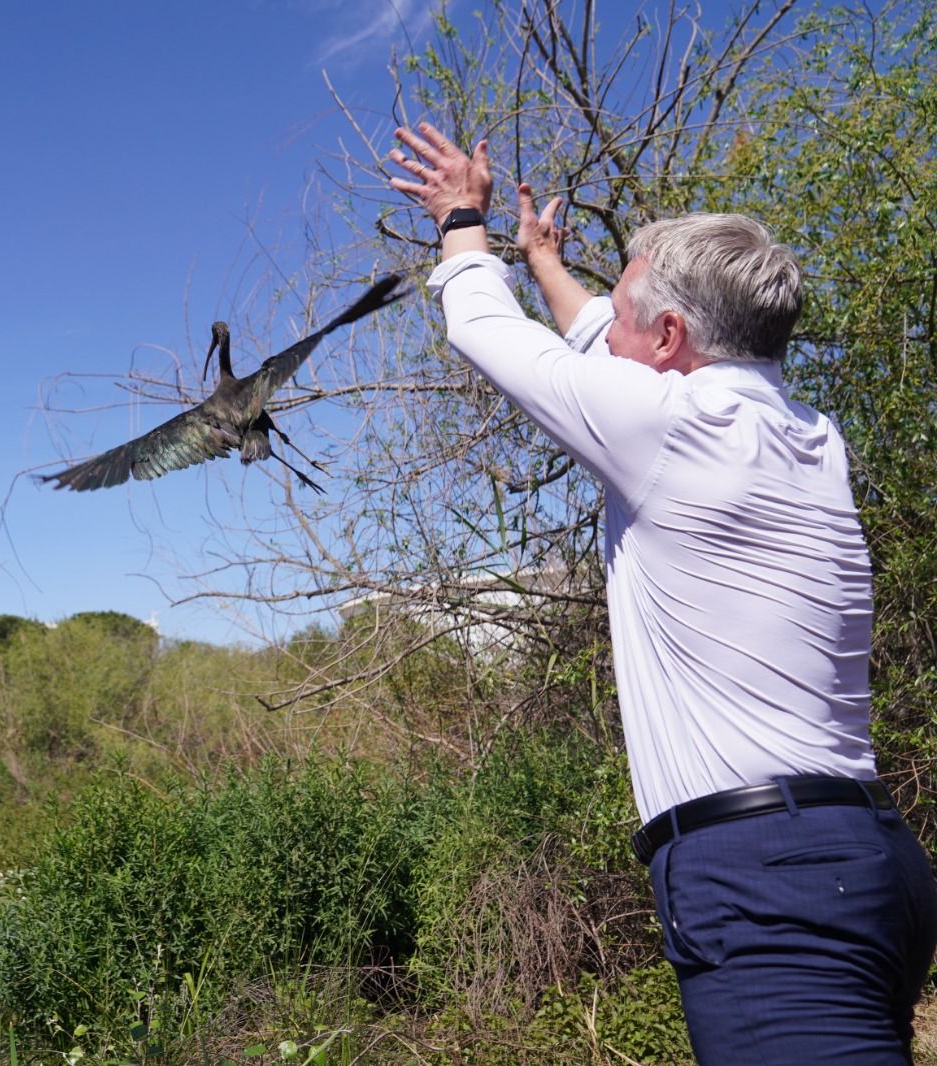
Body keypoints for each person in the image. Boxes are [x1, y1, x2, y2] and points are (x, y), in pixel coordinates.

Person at [387, 122, 937, 1061]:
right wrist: (545, 259)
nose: (613, 325)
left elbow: (485, 327)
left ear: (674, 337)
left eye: (632, 311)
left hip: (769, 881)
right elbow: (610, 340)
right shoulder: (809, 435)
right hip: (869, 857)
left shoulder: (673, 428)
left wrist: (462, 219)